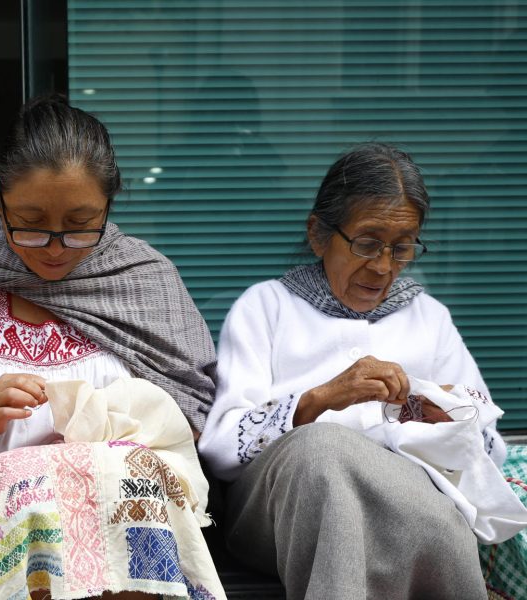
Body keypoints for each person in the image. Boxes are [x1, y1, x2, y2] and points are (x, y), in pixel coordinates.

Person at [0, 95, 224, 599]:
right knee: (47, 500)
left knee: (114, 486)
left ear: (108, 206)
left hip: (130, 502)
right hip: (6, 509)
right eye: (29, 223)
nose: (54, 248)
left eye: (79, 226)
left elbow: (194, 416)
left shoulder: (146, 281)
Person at [198, 143, 505, 600]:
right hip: (276, 516)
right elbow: (220, 449)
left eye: (401, 249)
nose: (383, 267)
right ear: (319, 234)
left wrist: (451, 419)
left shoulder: (429, 317)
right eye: (366, 243)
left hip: (403, 505)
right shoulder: (267, 306)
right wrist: (319, 399)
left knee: (443, 522)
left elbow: (491, 453)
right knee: (323, 449)